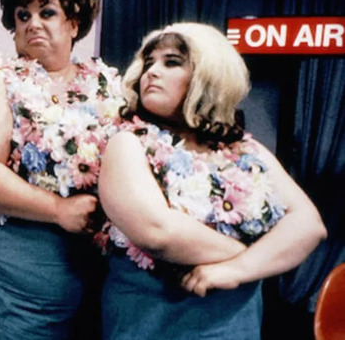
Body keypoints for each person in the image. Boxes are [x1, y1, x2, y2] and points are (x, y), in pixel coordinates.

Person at [95, 22, 327, 339]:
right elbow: (158, 232)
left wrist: (236, 270)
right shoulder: (128, 143)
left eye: (171, 62)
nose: (152, 71)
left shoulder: (245, 149)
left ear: (208, 75)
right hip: (152, 325)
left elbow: (309, 225)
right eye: (149, 62)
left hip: (236, 326)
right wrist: (255, 254)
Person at [0, 0, 124, 339]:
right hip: (23, 255)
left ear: (74, 23)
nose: (32, 23)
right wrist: (57, 210)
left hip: (97, 255)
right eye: (22, 14)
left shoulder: (107, 84)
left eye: (47, 12)